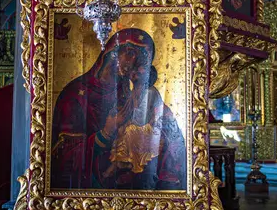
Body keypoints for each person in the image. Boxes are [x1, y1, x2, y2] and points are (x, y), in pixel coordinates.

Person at [50, 28, 185, 191]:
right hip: (92, 191)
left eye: (140, 61)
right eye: (129, 53)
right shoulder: (76, 94)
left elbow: (165, 125)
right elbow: (63, 157)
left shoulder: (129, 93)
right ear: (112, 52)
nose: (133, 64)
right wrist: (106, 133)